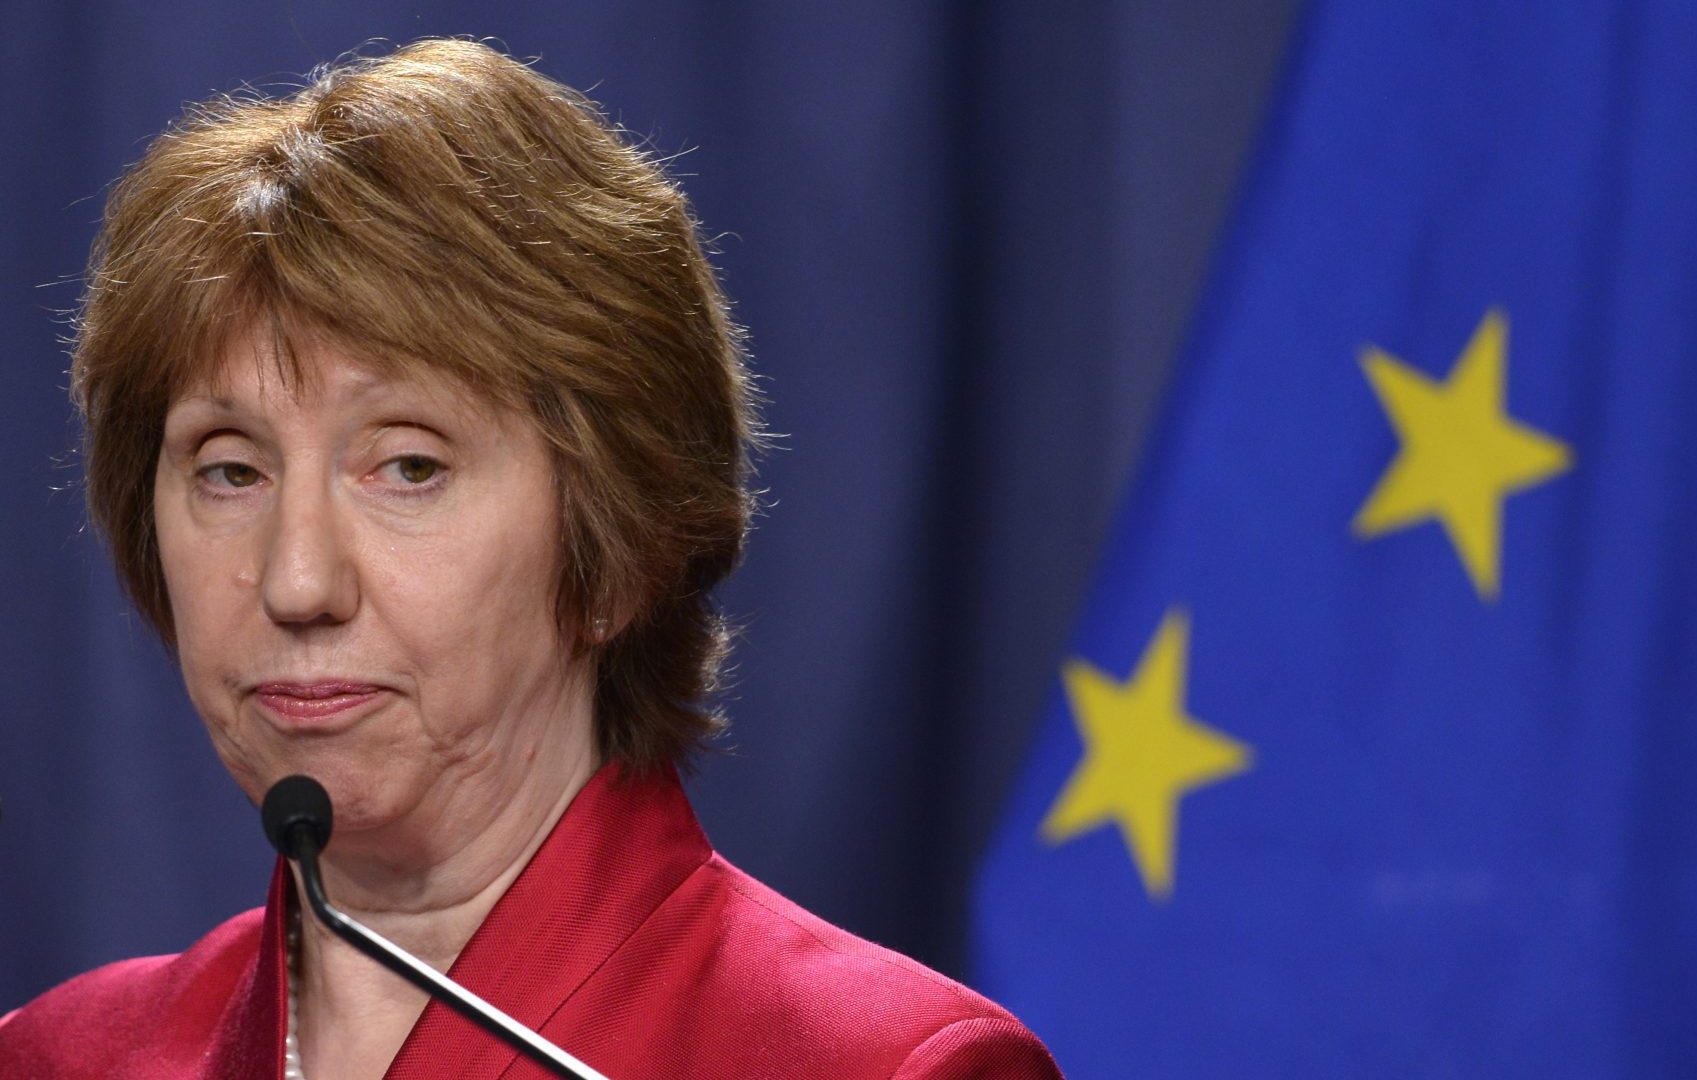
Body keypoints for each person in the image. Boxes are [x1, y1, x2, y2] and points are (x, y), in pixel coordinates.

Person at [0, 38, 1060, 1079]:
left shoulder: (880, 1066)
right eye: (230, 472)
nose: (297, 583)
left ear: (612, 551)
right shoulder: (60, 1059)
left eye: (408, 467)